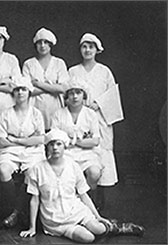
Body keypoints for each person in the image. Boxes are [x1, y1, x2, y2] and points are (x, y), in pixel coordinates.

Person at [20, 129, 145, 243]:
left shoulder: (73, 166)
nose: (55, 148)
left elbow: (83, 195)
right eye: (51, 144)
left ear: (65, 146)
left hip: (76, 211)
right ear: (47, 147)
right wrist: (32, 227)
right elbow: (34, 200)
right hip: (56, 221)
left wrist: (98, 216)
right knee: (88, 238)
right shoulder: (37, 169)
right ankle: (94, 228)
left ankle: (119, 228)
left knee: (98, 228)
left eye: (59, 144)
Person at [68, 33, 124, 207]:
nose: (87, 50)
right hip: (79, 115)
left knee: (100, 153)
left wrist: (97, 104)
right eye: (84, 46)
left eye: (91, 47)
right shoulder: (73, 71)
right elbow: (68, 94)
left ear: (97, 50)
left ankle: (97, 198)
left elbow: (112, 96)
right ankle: (78, 198)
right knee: (78, 151)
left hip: (100, 117)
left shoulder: (104, 71)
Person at [0, 76, 46, 228]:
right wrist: (27, 139)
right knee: (4, 171)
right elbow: (3, 140)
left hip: (32, 151)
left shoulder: (36, 113)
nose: (20, 93)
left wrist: (17, 140)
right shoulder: (5, 113)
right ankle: (13, 208)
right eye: (17, 90)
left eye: (23, 89)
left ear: (29, 92)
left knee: (32, 173)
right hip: (9, 151)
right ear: (13, 93)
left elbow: (40, 139)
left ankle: (16, 213)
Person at [50, 77, 102, 191]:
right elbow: (55, 139)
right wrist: (83, 141)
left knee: (94, 172)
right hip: (66, 153)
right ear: (67, 96)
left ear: (84, 95)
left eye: (78, 93)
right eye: (71, 93)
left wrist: (74, 141)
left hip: (87, 153)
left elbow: (95, 141)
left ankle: (88, 200)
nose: (75, 97)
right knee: (62, 173)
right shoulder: (58, 114)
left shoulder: (90, 114)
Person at [22, 27, 70, 131]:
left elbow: (63, 89)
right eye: (39, 42)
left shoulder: (59, 63)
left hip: (55, 107)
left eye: (46, 42)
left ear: (50, 45)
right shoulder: (28, 64)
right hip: (35, 107)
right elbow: (28, 91)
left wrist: (39, 84)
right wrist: (52, 87)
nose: (42, 45)